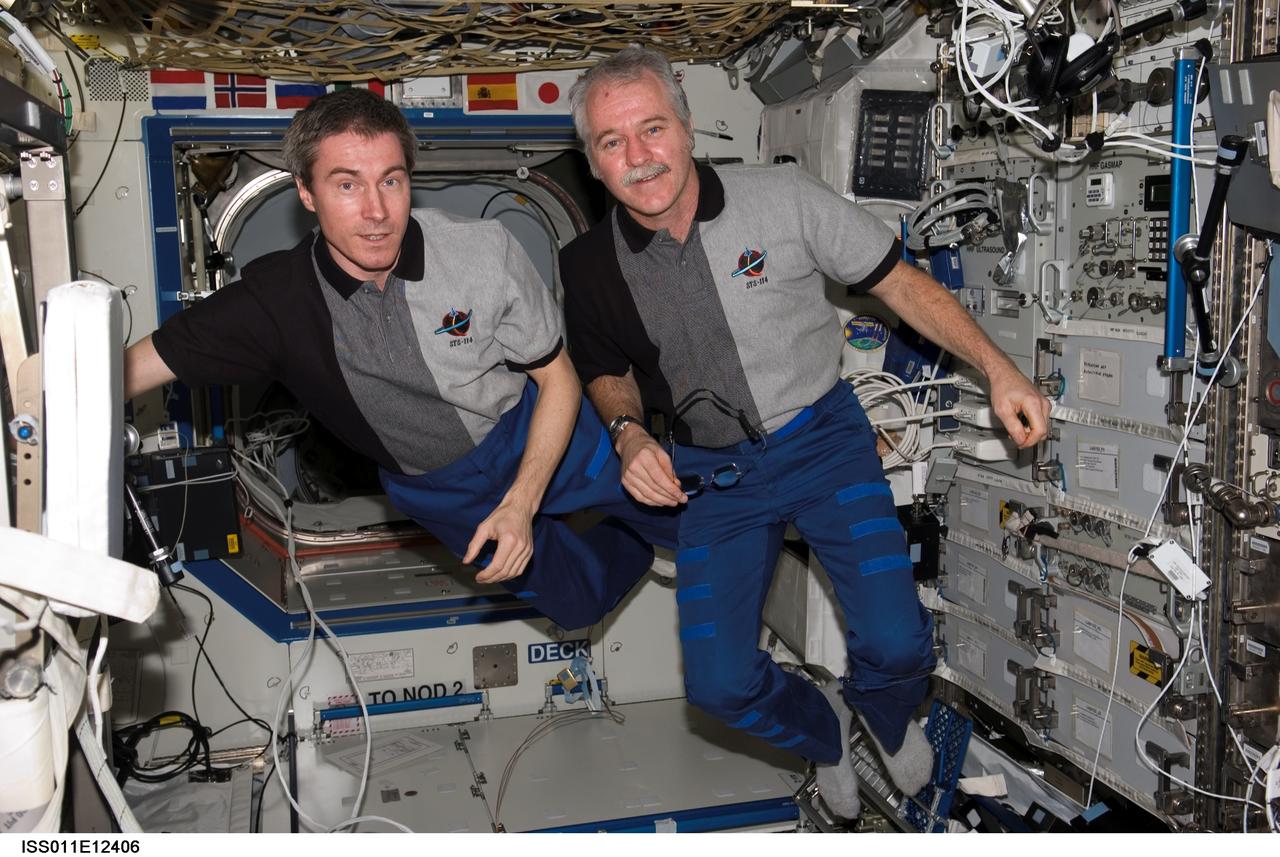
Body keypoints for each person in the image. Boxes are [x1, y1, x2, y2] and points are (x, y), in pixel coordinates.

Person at [560, 47, 1051, 820]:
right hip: (714, 474)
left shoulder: (782, 197)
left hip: (823, 442)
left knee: (896, 642)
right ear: (592, 162)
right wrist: (626, 433)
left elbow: (901, 283)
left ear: (685, 127)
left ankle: (885, 714)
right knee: (720, 684)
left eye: (651, 128)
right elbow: (604, 369)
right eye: (612, 142)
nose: (638, 156)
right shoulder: (587, 267)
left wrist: (999, 368)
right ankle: (824, 730)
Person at [124, 88, 678, 632]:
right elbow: (122, 373)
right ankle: (633, 546)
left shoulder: (482, 248)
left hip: (533, 424)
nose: (377, 212)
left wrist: (523, 501)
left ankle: (675, 533)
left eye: (391, 180)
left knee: (681, 511)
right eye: (347, 185)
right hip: (440, 487)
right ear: (306, 193)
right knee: (578, 604)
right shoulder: (272, 303)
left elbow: (557, 377)